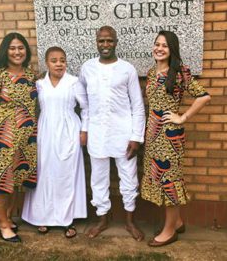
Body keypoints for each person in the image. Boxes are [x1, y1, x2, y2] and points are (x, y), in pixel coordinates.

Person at [141, 30, 211, 247]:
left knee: (169, 182)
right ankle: (178, 221)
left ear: (172, 50)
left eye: (165, 45)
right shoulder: (152, 73)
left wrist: (183, 117)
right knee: (161, 181)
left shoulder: (180, 72)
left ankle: (169, 230)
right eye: (157, 44)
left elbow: (204, 96)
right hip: (153, 136)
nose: (159, 48)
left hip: (170, 137)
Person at [79, 26, 146, 240]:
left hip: (123, 134)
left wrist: (136, 137)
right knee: (98, 178)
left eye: (109, 41)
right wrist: (85, 129)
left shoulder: (127, 69)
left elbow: (137, 106)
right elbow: (85, 104)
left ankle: (129, 221)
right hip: (97, 132)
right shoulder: (87, 68)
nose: (105, 45)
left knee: (128, 177)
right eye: (101, 41)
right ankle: (102, 219)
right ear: (96, 42)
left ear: (116, 42)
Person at [22, 46, 88, 238]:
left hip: (69, 132)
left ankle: (68, 219)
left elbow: (86, 108)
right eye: (54, 60)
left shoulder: (74, 82)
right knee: (46, 173)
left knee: (66, 174)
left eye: (62, 60)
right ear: (47, 63)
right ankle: (43, 216)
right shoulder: (40, 84)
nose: (59, 64)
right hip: (46, 131)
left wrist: (84, 130)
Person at [0, 32, 38, 243]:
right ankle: (3, 225)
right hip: (4, 139)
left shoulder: (31, 75)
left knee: (15, 180)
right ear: (5, 50)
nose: (17, 52)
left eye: (21, 48)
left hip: (26, 140)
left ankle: (9, 218)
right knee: (0, 182)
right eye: (12, 48)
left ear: (26, 51)